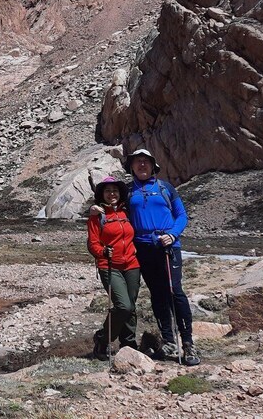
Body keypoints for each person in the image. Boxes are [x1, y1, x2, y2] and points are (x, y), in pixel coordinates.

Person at [124, 148, 200, 366]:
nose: (141, 165)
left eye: (145, 162)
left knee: (175, 291)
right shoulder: (129, 192)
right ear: (132, 167)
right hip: (143, 248)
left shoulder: (166, 188)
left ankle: (188, 343)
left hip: (168, 246)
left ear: (153, 165)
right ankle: (168, 340)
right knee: (157, 293)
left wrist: (172, 234)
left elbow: (181, 215)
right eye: (137, 162)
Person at [87, 176, 140, 360]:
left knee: (131, 306)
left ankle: (129, 342)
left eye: (115, 191)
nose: (112, 194)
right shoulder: (97, 217)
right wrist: (103, 252)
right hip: (109, 265)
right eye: (108, 191)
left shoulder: (127, 212)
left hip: (132, 264)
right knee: (123, 306)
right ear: (102, 194)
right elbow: (92, 244)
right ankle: (103, 338)